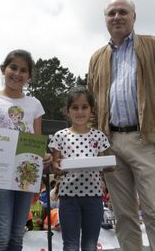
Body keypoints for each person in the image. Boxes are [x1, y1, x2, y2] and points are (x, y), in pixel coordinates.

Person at [87, 0, 155, 251]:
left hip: (147, 141)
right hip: (111, 144)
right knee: (124, 216)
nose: (117, 16)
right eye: (111, 13)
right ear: (105, 20)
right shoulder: (97, 58)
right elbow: (92, 106)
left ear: (134, 17)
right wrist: (98, 143)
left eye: (123, 12)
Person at [0, 49, 49, 250]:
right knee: (2, 234)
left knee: (17, 234)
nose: (17, 73)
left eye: (23, 70)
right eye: (13, 67)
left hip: (25, 174)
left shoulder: (35, 104)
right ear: (3, 69)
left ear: (29, 77)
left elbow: (37, 142)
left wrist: (44, 157)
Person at [49, 87, 110, 250]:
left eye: (84, 107)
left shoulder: (99, 136)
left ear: (92, 109)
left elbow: (103, 164)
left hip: (94, 197)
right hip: (68, 197)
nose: (80, 111)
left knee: (90, 244)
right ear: (68, 111)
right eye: (75, 107)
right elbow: (55, 165)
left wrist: (108, 166)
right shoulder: (60, 136)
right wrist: (57, 167)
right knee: (70, 244)